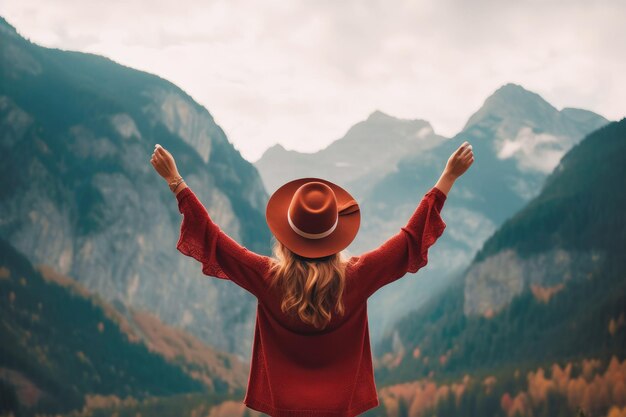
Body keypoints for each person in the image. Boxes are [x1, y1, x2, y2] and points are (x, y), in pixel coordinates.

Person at [150, 141, 474, 417]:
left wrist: (176, 182)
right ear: (336, 239)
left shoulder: (267, 278)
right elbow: (409, 239)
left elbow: (214, 241)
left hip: (285, 408)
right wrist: (448, 178)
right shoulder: (357, 277)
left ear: (286, 236)